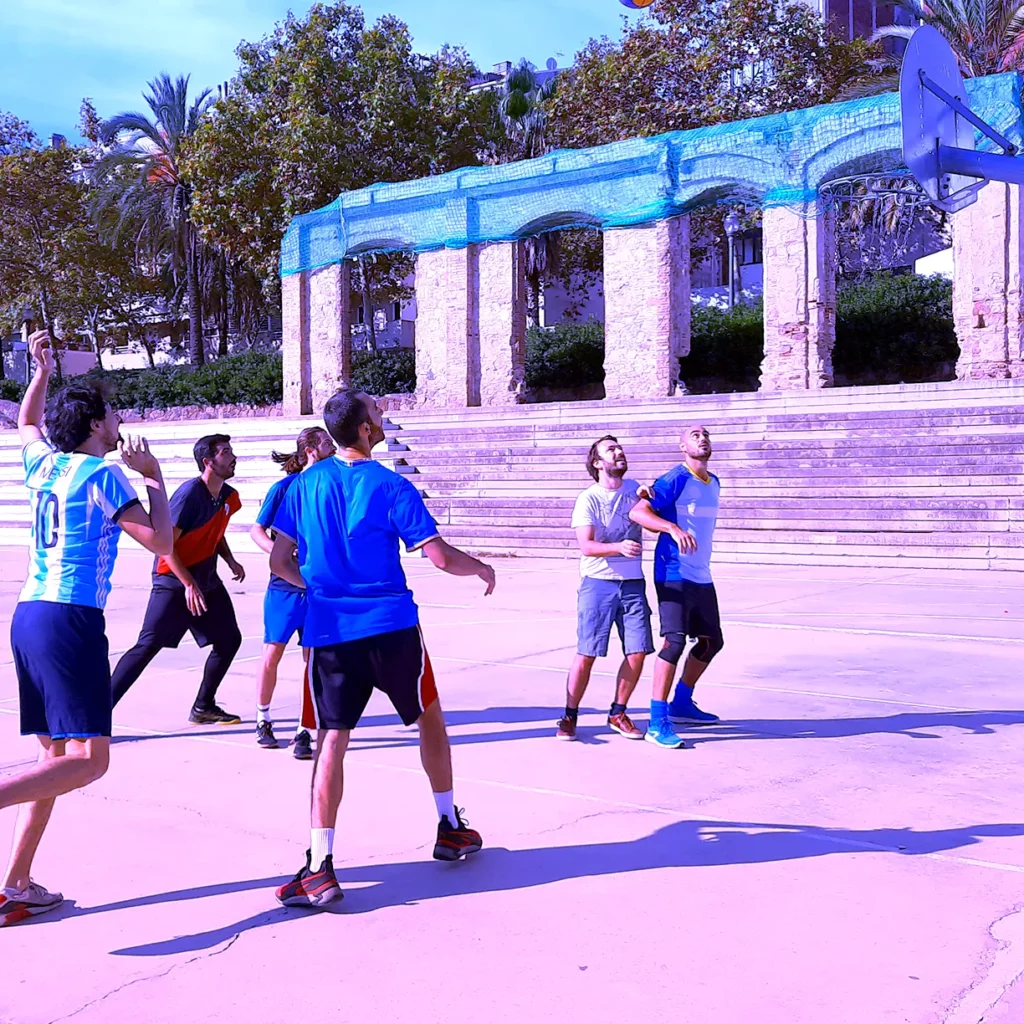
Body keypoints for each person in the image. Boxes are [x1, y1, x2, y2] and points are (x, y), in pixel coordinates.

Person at [269, 389, 496, 908]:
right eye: (377, 411)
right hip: (391, 625)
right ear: (366, 430)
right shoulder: (392, 485)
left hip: (330, 630)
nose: (383, 416)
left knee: (331, 741)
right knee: (429, 720)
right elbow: (438, 558)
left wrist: (321, 588)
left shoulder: (301, 486)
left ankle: (319, 864)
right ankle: (448, 823)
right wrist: (479, 566)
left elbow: (280, 560)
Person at [0, 331, 172, 928]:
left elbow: (25, 422)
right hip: (71, 619)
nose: (121, 420)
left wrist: (40, 370)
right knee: (92, 761)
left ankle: (16, 884)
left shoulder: (44, 461)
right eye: (115, 413)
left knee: (55, 759)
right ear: (98, 426)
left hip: (28, 615)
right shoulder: (104, 476)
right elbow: (162, 544)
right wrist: (153, 477)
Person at [557, 435, 688, 742]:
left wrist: (650, 499)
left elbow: (649, 509)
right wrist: (618, 546)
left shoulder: (635, 489)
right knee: (587, 653)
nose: (619, 453)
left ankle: (618, 712)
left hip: (632, 584)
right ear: (597, 463)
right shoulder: (588, 498)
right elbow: (586, 546)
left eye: (619, 448)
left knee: (638, 651)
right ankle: (569, 714)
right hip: (598, 583)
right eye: (610, 450)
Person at [110, 434, 245, 724]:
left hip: (205, 580)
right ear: (208, 462)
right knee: (147, 646)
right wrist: (187, 584)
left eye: (231, 450)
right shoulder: (189, 495)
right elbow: (165, 546)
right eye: (225, 452)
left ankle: (203, 706)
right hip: (173, 579)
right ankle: (94, 716)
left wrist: (229, 559)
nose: (233, 456)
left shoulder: (228, 497)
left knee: (229, 639)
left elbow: (214, 532)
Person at [629, 425, 723, 750]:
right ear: (682, 445)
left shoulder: (715, 482)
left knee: (712, 643)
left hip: (701, 574)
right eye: (695, 434)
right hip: (672, 571)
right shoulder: (675, 479)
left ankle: (681, 703)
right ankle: (657, 722)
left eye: (706, 434)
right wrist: (670, 527)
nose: (702, 438)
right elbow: (638, 511)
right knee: (673, 643)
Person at [250, 426, 337, 756]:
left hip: (318, 587)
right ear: (313, 448)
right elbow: (257, 530)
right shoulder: (285, 487)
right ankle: (263, 718)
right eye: (328, 442)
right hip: (285, 585)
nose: (334, 446)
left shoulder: (330, 486)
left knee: (311, 658)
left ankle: (305, 727)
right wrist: (278, 552)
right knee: (272, 652)